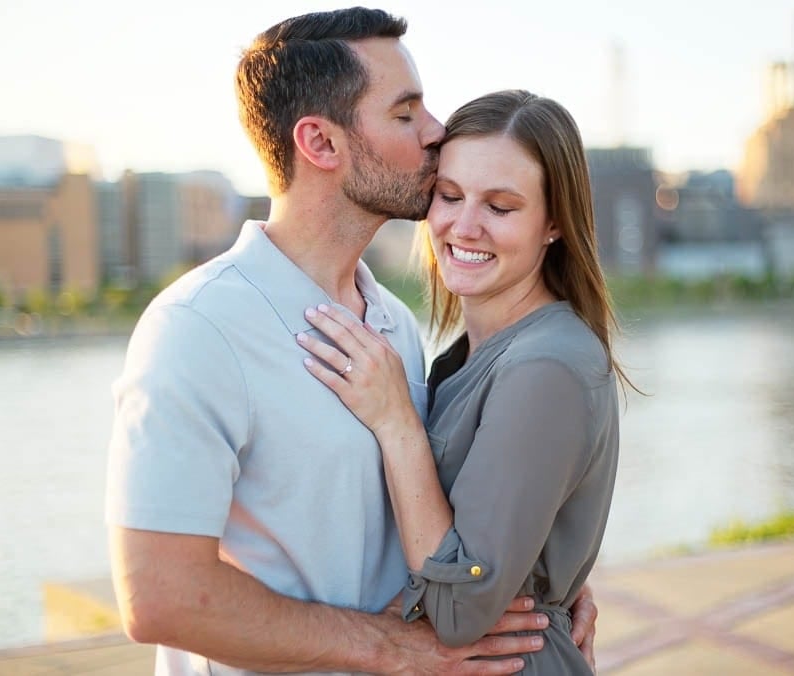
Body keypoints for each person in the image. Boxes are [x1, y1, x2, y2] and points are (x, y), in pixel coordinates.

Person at [104, 8, 597, 675]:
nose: (437, 131)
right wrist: (388, 647)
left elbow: (438, 508)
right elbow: (158, 597)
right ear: (322, 144)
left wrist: (543, 572)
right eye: (405, 114)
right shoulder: (198, 330)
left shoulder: (395, 322)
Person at [296, 89, 627, 674]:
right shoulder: (467, 353)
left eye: (500, 207)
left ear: (554, 223)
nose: (464, 226)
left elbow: (458, 612)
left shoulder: (544, 367)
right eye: (449, 196)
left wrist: (397, 420)